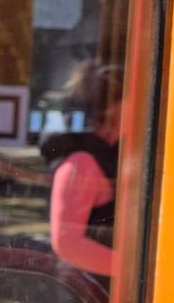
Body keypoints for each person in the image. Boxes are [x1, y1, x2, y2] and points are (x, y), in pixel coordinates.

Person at [40, 62, 122, 280]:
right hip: (85, 298)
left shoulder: (108, 153)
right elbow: (67, 243)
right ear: (114, 107)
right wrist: (135, 272)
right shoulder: (81, 162)